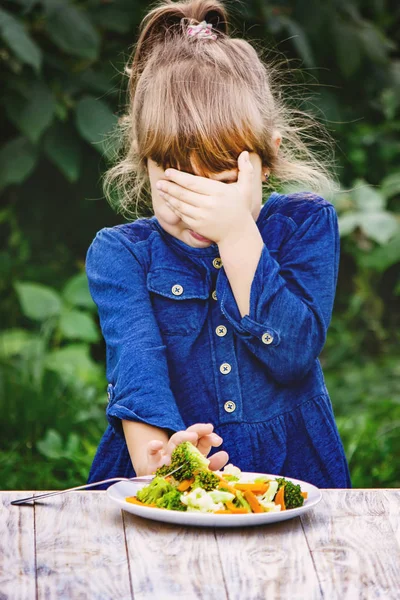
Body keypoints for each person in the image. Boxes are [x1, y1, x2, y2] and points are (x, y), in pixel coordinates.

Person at [85, 0, 352, 490]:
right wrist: (158, 461)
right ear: (145, 162)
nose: (200, 208)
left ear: (265, 160)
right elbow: (137, 368)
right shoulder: (121, 254)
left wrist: (237, 234)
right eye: (178, 185)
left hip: (291, 469)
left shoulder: (305, 224)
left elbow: (293, 353)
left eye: (223, 181)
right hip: (174, 463)